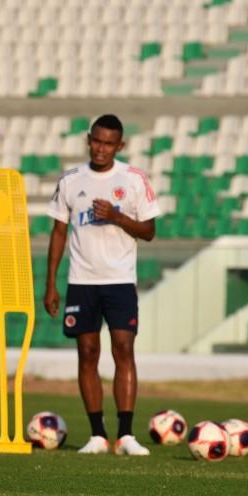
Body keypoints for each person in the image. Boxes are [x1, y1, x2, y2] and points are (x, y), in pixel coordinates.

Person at [44, 114, 161, 456]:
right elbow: (58, 233)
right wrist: (50, 283)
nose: (101, 148)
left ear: (119, 146)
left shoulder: (134, 179)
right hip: (82, 281)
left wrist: (117, 217)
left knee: (123, 349)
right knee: (87, 354)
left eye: (109, 143)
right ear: (88, 139)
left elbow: (149, 232)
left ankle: (125, 435)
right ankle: (97, 434)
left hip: (120, 280)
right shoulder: (70, 180)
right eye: (96, 141)